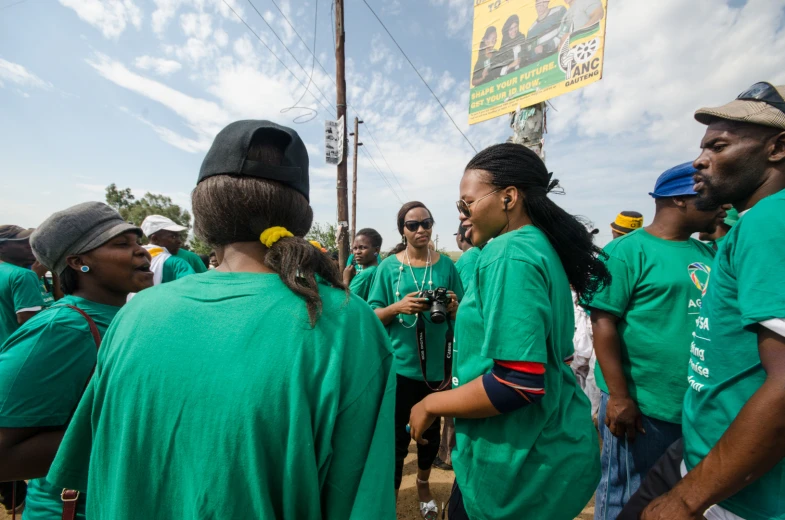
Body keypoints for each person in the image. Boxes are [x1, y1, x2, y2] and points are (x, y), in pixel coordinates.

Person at [46, 120, 396, 519]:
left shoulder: (134, 316)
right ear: (300, 216)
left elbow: (93, 466)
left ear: (204, 214)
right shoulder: (346, 323)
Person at [408, 143, 608, 520]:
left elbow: (520, 382)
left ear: (509, 197)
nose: (464, 217)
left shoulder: (509, 254)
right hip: (536, 446)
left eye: (466, 204)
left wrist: (430, 403)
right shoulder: (536, 246)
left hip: (514, 460)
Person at [620, 82, 785, 520]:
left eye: (719, 145)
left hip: (739, 492)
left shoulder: (770, 220)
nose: (700, 159)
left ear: (778, 148)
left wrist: (687, 499)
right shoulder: (757, 223)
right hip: (702, 451)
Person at [585, 162, 724, 520]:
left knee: (678, 498)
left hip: (694, 407)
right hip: (643, 409)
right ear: (680, 199)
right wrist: (618, 396)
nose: (722, 205)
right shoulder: (627, 252)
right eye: (712, 197)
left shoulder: (708, 254)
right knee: (625, 496)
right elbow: (603, 323)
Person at [0, 201, 153, 520]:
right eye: (122, 244)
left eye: (138, 242)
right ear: (78, 262)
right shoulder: (61, 328)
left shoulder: (128, 315)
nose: (141, 251)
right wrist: (131, 429)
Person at [368, 201, 462, 520]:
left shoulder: (446, 265)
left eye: (427, 222)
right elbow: (371, 317)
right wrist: (398, 307)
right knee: (395, 438)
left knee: (429, 436)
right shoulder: (387, 268)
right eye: (413, 225)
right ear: (402, 230)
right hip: (399, 369)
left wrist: (452, 308)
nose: (421, 229)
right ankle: (391, 497)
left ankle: (423, 483)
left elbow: (462, 311)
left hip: (436, 370)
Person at [0, 225, 45, 346]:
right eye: (23, 243)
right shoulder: (23, 275)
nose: (31, 247)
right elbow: (29, 321)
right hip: (20, 349)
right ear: (2, 247)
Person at [139, 215, 196, 284]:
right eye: (173, 236)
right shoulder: (177, 264)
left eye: (179, 236)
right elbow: (192, 287)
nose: (179, 241)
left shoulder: (134, 260)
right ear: (155, 239)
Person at [343, 228, 382, 301]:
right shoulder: (378, 270)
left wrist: (346, 280)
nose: (357, 252)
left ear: (376, 250)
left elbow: (346, 302)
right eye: (355, 248)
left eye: (363, 247)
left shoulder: (365, 275)